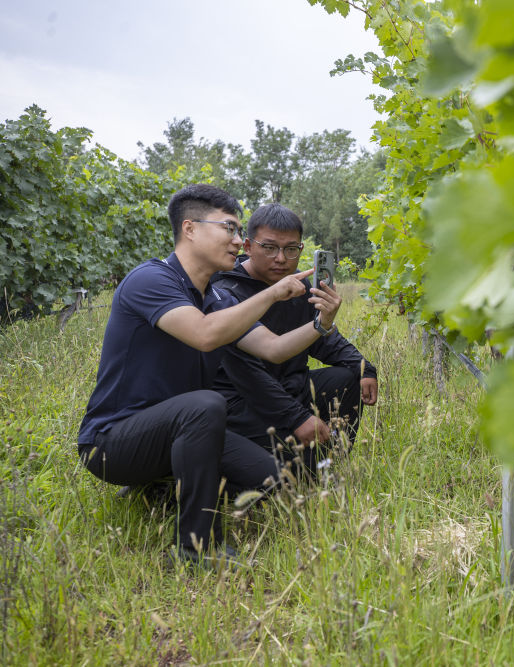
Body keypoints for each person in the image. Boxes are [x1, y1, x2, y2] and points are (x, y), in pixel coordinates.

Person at [76, 184, 341, 568]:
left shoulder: (217, 298)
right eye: (229, 229)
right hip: (112, 442)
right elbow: (204, 335)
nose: (238, 241)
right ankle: (196, 549)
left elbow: (274, 348)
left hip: (177, 434)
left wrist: (322, 322)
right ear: (190, 229)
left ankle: (159, 489)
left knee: (273, 479)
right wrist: (271, 294)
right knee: (205, 404)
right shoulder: (150, 280)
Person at [205, 203, 377, 477]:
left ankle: (329, 466)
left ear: (301, 250)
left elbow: (321, 340)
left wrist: (363, 367)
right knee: (287, 476)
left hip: (289, 389)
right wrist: (297, 418)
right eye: (269, 248)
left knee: (347, 378)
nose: (281, 258)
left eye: (291, 249)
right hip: (243, 402)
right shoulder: (226, 293)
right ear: (248, 247)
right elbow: (248, 378)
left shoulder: (299, 286)